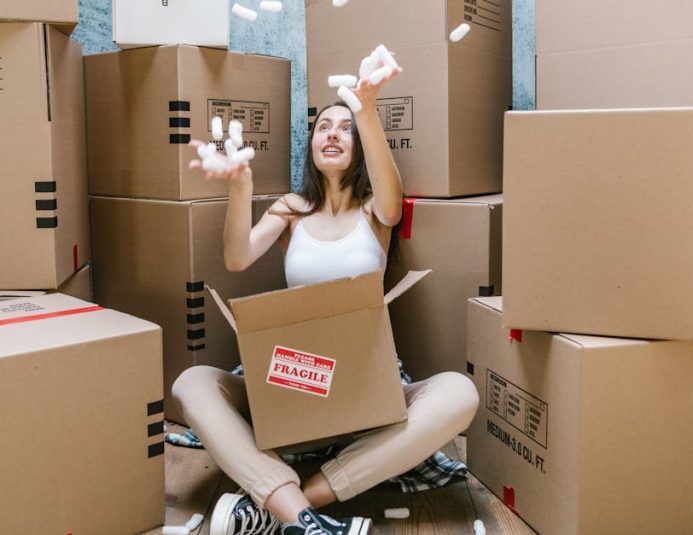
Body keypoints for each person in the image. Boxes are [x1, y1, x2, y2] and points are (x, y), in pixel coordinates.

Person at [171, 67, 479, 535]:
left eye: (345, 129)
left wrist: (367, 108)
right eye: (323, 127)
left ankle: (298, 502)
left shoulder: (376, 210)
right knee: (191, 383)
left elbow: (394, 205)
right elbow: (236, 258)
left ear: (360, 146)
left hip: (364, 384)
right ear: (310, 145)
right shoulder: (291, 210)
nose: (333, 134)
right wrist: (239, 186)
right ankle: (304, 519)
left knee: (460, 393)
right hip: (292, 380)